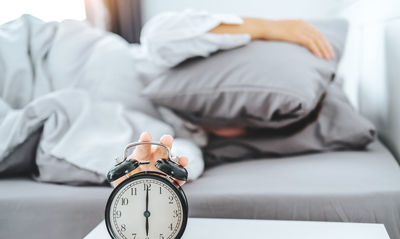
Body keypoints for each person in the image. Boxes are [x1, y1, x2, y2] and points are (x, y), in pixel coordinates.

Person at [112, 16, 334, 187]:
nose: (235, 115)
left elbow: (185, 157)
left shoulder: (193, 137)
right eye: (245, 105)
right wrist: (269, 27)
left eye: (252, 124)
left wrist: (160, 171)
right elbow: (158, 35)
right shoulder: (167, 56)